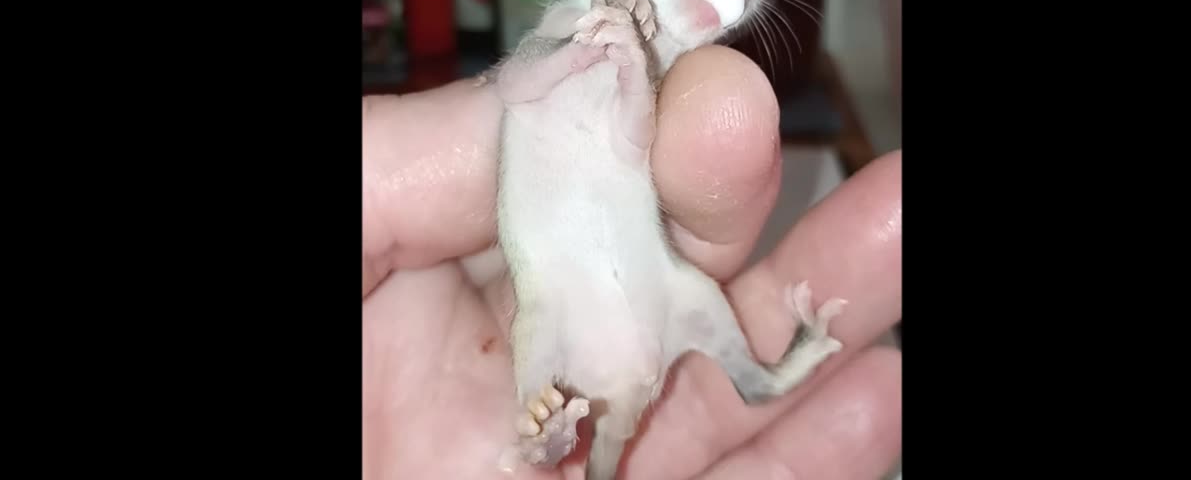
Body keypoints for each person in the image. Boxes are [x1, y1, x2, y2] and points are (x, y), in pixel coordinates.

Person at [362, 45, 902, 479]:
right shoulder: (543, 96)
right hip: (600, 326)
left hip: (646, 304)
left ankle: (784, 364)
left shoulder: (599, 110)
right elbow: (520, 85)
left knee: (684, 329)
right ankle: (542, 436)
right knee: (547, 346)